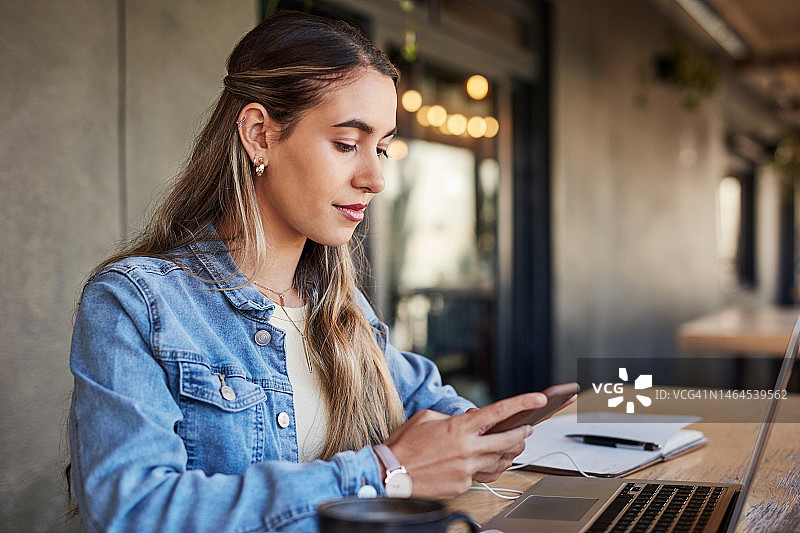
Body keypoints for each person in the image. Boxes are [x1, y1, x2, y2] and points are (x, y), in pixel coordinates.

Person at [67, 10, 545, 532]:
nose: (375, 178)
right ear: (259, 134)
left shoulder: (342, 307)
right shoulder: (137, 304)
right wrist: (386, 471)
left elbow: (432, 404)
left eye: (381, 148)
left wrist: (478, 440)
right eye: (346, 144)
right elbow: (133, 512)